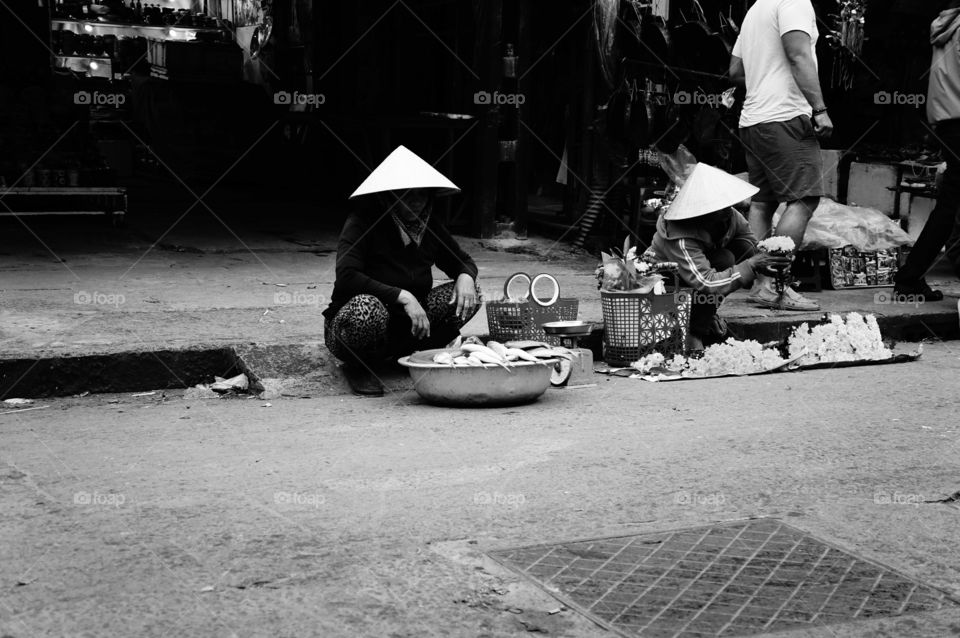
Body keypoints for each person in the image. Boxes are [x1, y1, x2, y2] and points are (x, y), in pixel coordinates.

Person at [323, 146, 481, 396]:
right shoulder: (362, 221)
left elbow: (462, 260)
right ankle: (359, 366)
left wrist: (465, 276)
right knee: (368, 308)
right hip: (350, 328)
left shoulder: (428, 225)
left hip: (405, 327)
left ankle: (410, 352)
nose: (416, 202)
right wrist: (403, 296)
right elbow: (347, 275)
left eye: (421, 195)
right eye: (406, 195)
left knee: (472, 293)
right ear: (389, 196)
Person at [729, 0, 832, 311]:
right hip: (786, 116)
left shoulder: (755, 9)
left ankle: (753, 279)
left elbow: (735, 71)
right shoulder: (794, 2)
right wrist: (820, 109)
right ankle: (774, 284)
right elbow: (798, 54)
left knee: (763, 203)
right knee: (804, 199)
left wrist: (765, 74)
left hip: (753, 119)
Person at [651, 163, 792, 351]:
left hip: (698, 277)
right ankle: (693, 333)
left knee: (728, 255)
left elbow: (750, 245)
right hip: (664, 283)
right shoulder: (680, 234)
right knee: (723, 261)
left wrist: (768, 264)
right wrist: (750, 265)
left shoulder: (730, 217)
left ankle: (705, 319)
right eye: (719, 208)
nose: (727, 212)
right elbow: (706, 283)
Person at [894, 0, 960, 301]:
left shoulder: (947, 25)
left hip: (949, 123)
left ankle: (909, 277)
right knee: (950, 205)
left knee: (950, 204)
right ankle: (909, 277)